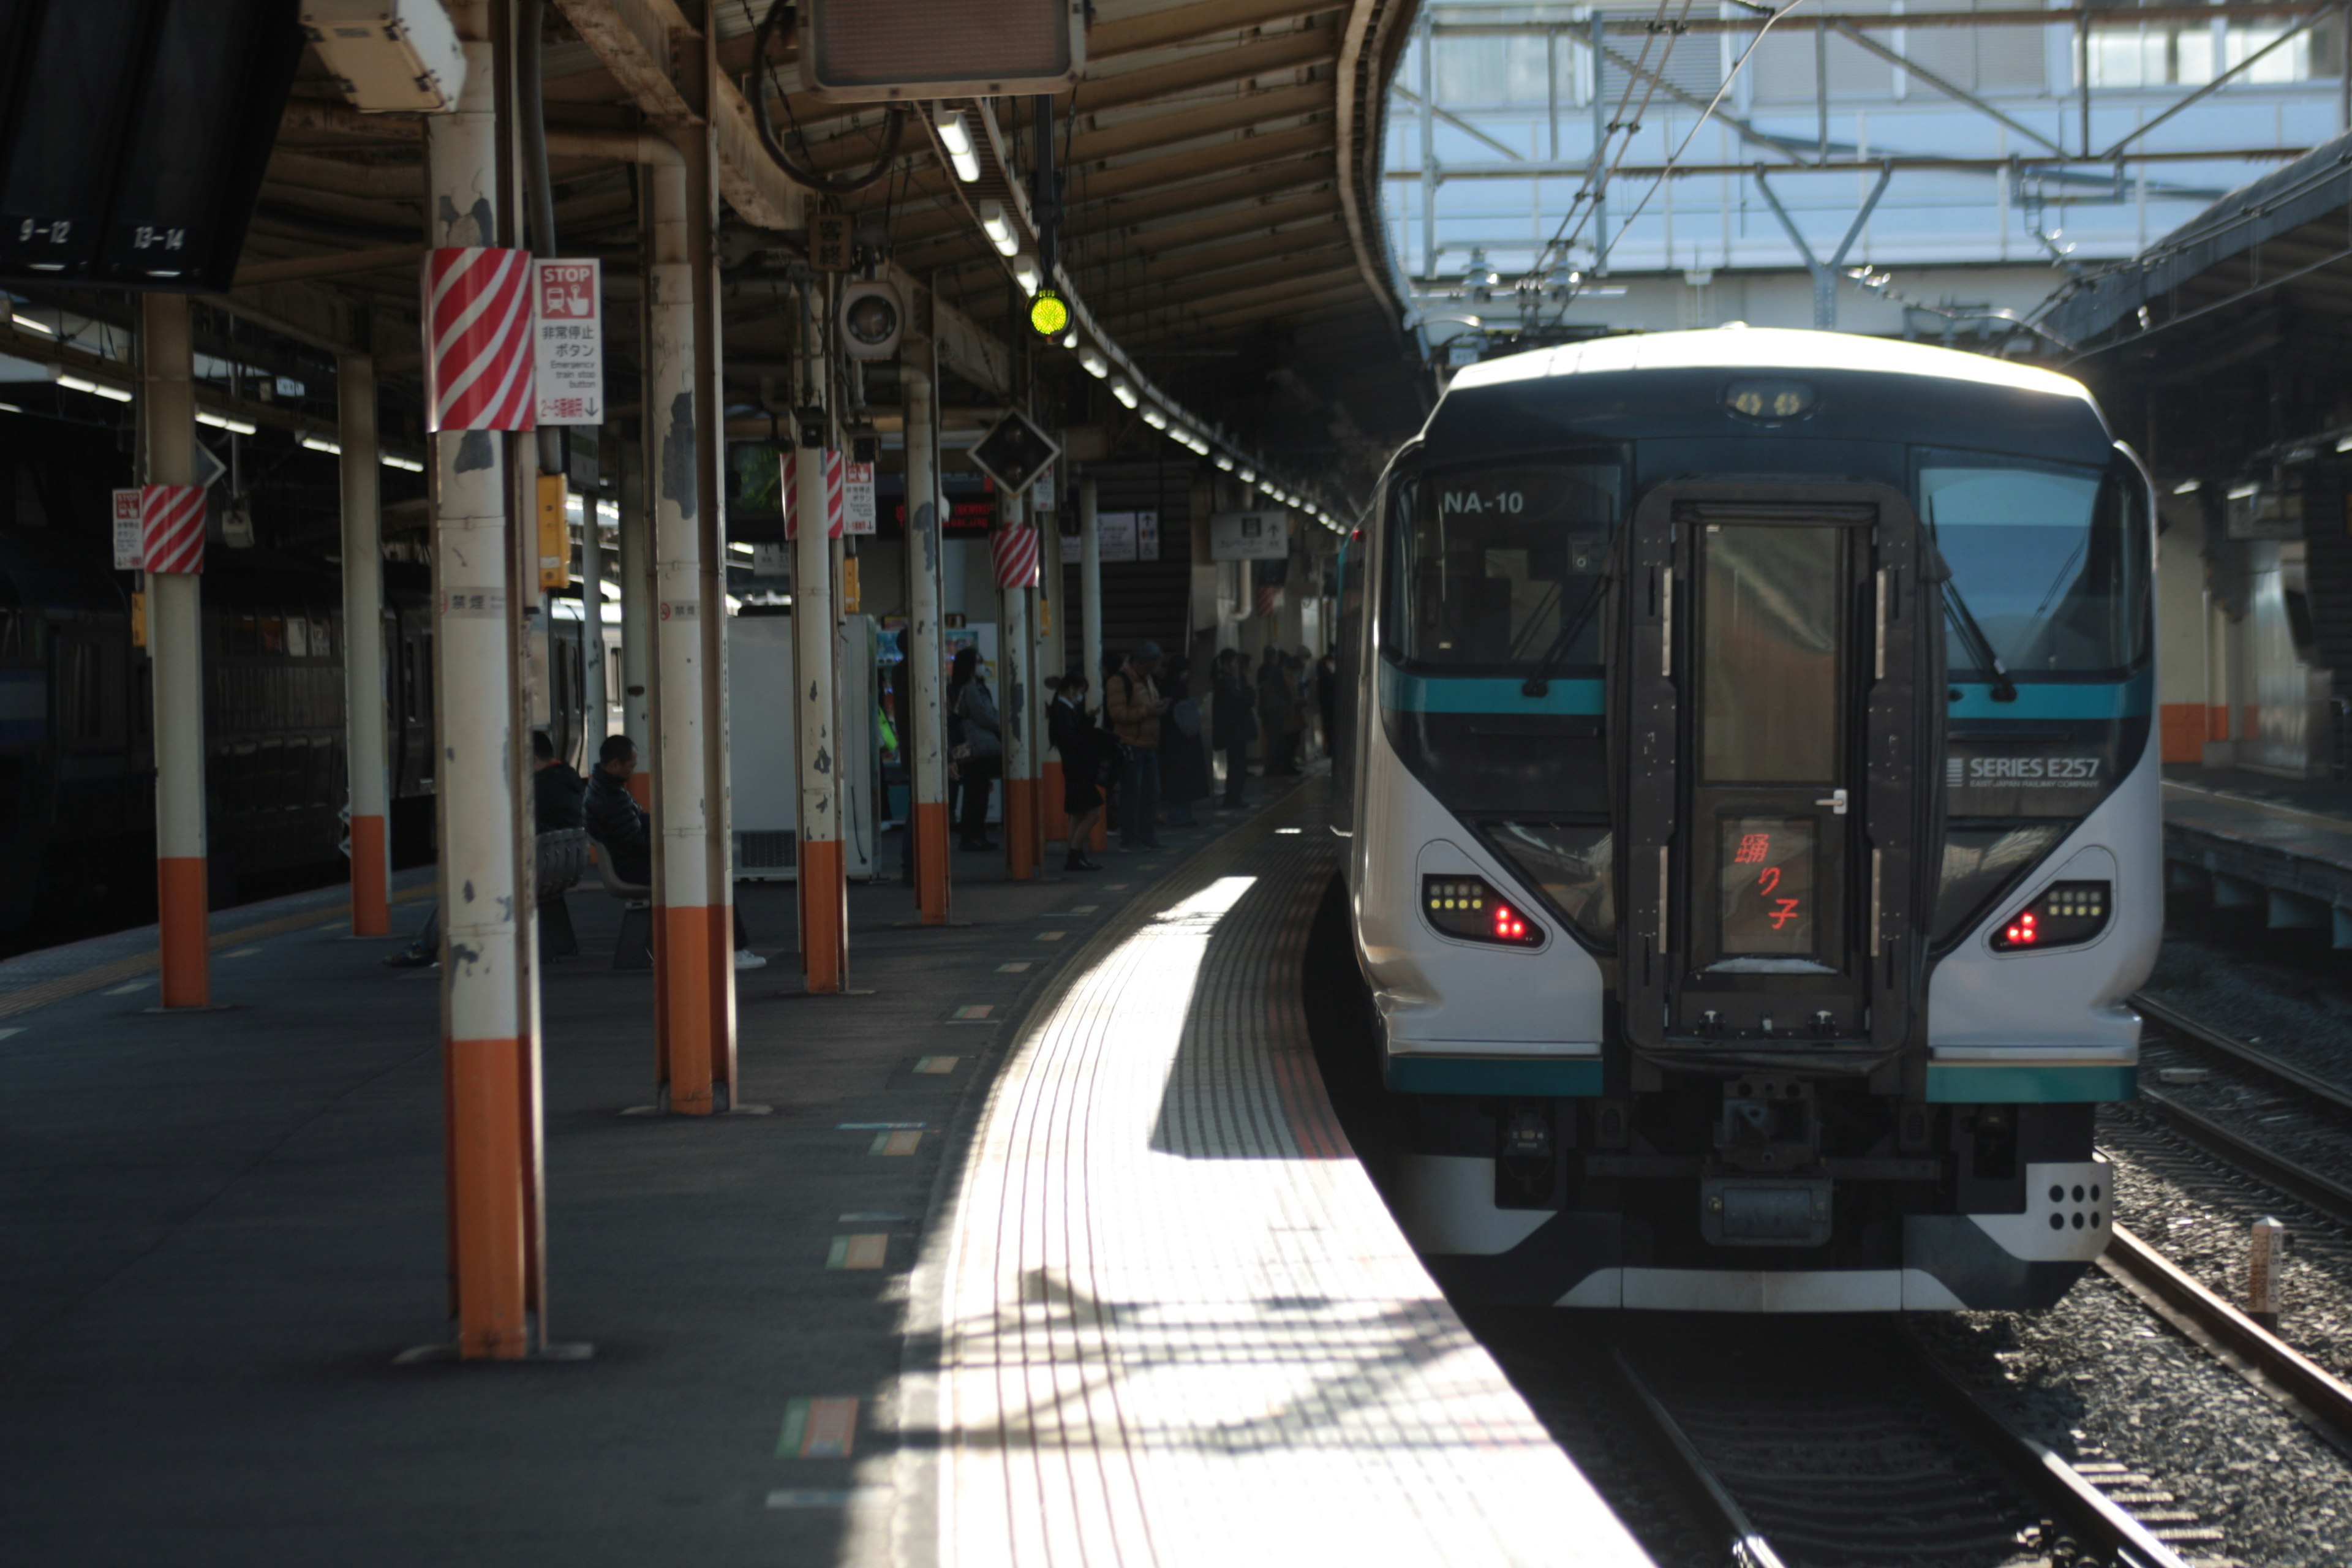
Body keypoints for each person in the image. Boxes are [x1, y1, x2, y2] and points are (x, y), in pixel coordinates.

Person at [388, 729, 592, 968]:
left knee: (464, 886)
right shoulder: (567, 779)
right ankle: (425, 945)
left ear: (532, 760)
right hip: (555, 867)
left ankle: (425, 946)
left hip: (535, 870)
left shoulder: (538, 787)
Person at [585, 733, 765, 970]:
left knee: (706, 871)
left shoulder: (604, 789)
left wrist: (665, 825)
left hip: (629, 865)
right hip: (632, 869)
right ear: (615, 765)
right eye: (631, 767)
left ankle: (723, 946)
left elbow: (636, 825)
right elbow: (636, 842)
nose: (633, 771)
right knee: (713, 875)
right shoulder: (610, 798)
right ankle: (733, 949)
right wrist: (675, 845)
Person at [1106, 641, 1166, 850]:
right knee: (1132, 794)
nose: (1157, 668)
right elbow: (1117, 714)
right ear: (1143, 662)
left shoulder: (1147, 680)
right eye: (1154, 663)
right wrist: (1148, 711)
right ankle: (1129, 839)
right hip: (1130, 745)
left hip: (1149, 745)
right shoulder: (1119, 681)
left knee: (1151, 793)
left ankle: (1147, 836)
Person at [1047, 668, 1104, 873]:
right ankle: (1075, 852)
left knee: (1078, 813)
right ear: (1071, 688)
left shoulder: (1063, 709)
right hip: (1078, 768)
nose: (1080, 696)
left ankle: (1076, 856)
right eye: (1080, 691)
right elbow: (1073, 740)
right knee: (1094, 812)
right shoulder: (1064, 711)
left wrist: (1087, 721)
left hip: (1072, 768)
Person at [950, 646, 1001, 851]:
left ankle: (974, 836)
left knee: (977, 793)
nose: (983, 665)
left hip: (979, 750)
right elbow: (983, 716)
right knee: (976, 794)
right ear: (970, 667)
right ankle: (972, 836)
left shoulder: (975, 687)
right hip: (977, 750)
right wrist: (999, 725)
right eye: (979, 662)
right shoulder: (971, 689)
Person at [1157, 654, 1209, 828]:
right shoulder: (1180, 689)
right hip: (1183, 742)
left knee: (1174, 780)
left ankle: (1177, 815)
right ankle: (1181, 816)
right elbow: (1185, 716)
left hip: (1169, 741)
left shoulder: (1165, 687)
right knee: (1183, 779)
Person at [1212, 648, 1256, 808]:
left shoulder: (1231, 680)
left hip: (1234, 730)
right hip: (1234, 730)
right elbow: (1239, 701)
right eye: (1235, 661)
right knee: (1237, 764)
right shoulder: (1226, 682)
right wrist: (1250, 695)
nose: (1237, 665)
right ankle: (1233, 796)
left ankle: (1234, 796)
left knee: (1238, 764)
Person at [1257, 646, 1298, 776]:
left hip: (1267, 710)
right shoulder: (1276, 672)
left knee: (1273, 740)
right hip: (1276, 711)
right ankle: (1272, 769)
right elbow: (1284, 692)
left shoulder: (1262, 670)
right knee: (1276, 740)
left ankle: (1272, 768)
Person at [1317, 652, 1339, 763]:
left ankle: (1330, 749)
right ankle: (1330, 749)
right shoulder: (1326, 675)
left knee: (1329, 728)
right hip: (1328, 706)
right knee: (1330, 728)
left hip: (1327, 705)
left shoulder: (1324, 674)